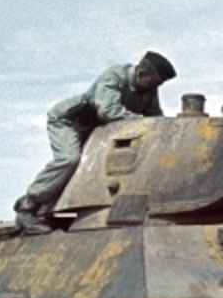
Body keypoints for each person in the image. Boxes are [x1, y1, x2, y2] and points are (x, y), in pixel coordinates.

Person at [13, 51, 176, 235]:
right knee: (70, 160)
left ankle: (43, 212)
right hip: (70, 122)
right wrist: (139, 120)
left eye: (159, 84)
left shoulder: (148, 89)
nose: (156, 87)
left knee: (90, 170)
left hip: (97, 130)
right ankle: (27, 208)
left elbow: (154, 117)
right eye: (154, 82)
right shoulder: (114, 76)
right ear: (142, 73)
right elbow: (108, 110)